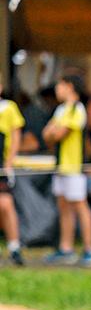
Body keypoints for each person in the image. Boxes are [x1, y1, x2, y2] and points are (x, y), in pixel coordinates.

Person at [41, 70, 91, 267]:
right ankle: (66, 248)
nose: (57, 89)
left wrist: (54, 131)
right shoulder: (61, 110)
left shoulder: (77, 109)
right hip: (61, 166)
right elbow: (46, 134)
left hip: (74, 167)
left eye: (60, 85)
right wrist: (53, 131)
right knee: (64, 207)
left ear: (69, 87)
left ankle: (90, 250)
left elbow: (58, 134)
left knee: (80, 206)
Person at [0, 90, 23, 265]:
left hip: (2, 164)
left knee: (6, 204)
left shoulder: (9, 108)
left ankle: (14, 247)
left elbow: (16, 137)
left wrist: (9, 163)